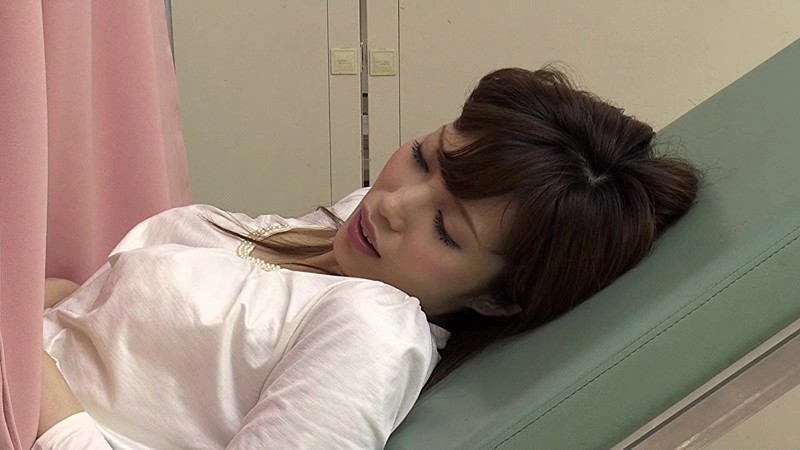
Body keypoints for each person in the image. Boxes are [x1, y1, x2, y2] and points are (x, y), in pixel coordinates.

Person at [34, 67, 702, 449]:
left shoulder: (373, 330)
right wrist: (64, 297)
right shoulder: (346, 237)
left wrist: (40, 395)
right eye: (423, 157)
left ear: (498, 297)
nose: (392, 204)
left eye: (446, 229)